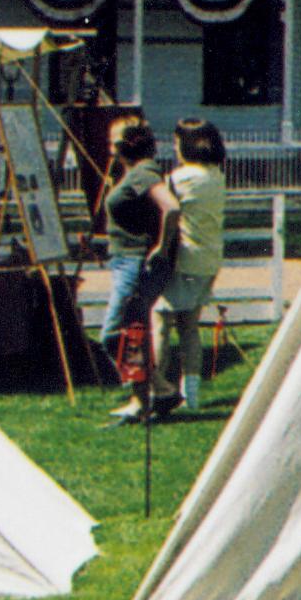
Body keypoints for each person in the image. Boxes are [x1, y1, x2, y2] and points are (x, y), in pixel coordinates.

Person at [98, 118, 180, 422]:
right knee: (133, 335)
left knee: (113, 334)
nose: (110, 146)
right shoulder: (134, 173)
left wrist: (161, 246)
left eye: (114, 140)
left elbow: (170, 208)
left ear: (128, 143)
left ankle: (158, 388)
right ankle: (146, 398)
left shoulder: (143, 172)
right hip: (124, 259)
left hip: (135, 263)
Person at [155, 117, 230, 415]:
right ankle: (192, 396)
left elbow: (166, 209)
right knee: (190, 327)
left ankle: (157, 388)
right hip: (210, 259)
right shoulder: (216, 175)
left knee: (160, 319)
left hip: (186, 258)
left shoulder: (180, 177)